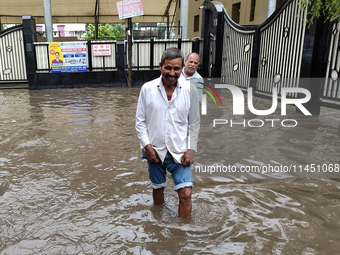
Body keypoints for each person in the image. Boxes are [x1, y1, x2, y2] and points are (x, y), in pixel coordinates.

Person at [135, 47, 200, 218]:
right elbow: (140, 121)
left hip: (180, 151)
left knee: (185, 194)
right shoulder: (147, 89)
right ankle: (159, 227)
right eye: (168, 68)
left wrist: (191, 148)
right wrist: (147, 146)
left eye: (176, 68)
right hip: (154, 150)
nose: (172, 73)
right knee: (158, 189)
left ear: (182, 68)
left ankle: (183, 236)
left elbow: (194, 122)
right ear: (160, 67)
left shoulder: (190, 90)